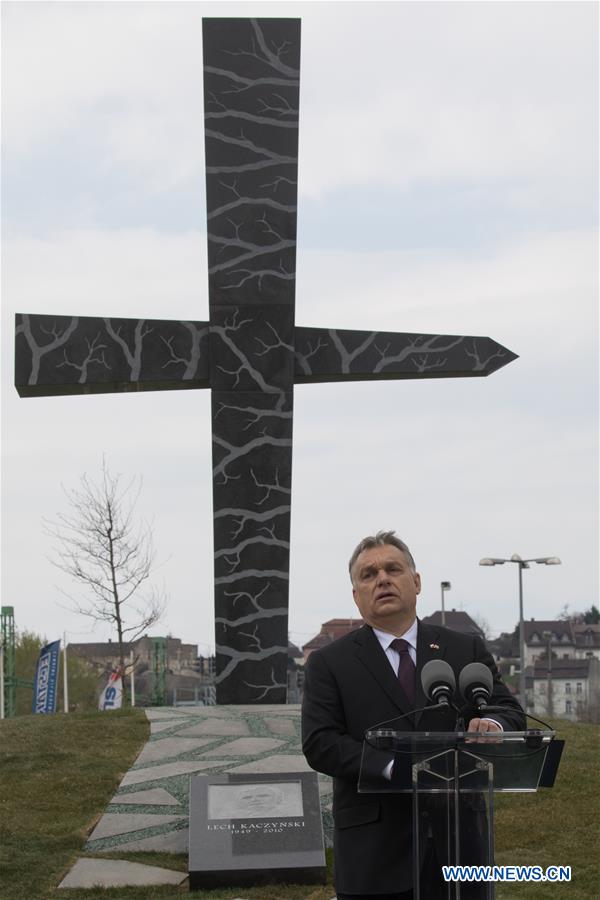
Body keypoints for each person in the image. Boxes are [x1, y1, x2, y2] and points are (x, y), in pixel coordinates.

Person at [301, 531, 525, 900]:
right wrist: (392, 766)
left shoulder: (464, 649)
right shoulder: (329, 663)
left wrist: (494, 724)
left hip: (460, 848)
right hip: (373, 856)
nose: (382, 579)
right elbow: (320, 742)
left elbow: (507, 710)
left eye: (393, 569)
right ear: (356, 595)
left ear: (416, 582)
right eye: (369, 574)